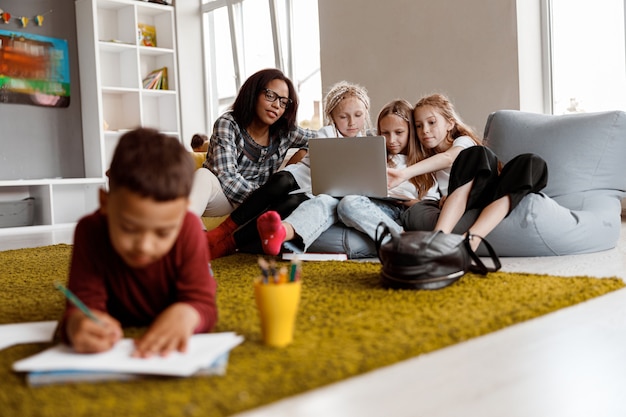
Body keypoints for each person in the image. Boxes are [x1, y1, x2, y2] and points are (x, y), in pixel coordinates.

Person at [59, 128, 218, 357]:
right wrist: (78, 324)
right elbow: (82, 304)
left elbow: (203, 303)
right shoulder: (90, 230)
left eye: (163, 233)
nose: (144, 245)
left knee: (205, 279)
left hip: (178, 296)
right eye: (129, 228)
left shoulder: (189, 228)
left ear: (183, 213)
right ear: (105, 203)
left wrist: (188, 313)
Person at [205, 81, 373, 259]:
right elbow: (319, 156)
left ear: (365, 114)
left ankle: (231, 243)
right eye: (343, 117)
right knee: (280, 181)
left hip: (317, 190)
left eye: (358, 115)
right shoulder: (327, 133)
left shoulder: (368, 142)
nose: (351, 123)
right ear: (332, 116)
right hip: (305, 175)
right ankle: (224, 229)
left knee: (291, 203)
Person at [398, 94, 548, 251]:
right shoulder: (425, 161)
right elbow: (429, 197)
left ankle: (465, 240)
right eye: (419, 126)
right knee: (478, 155)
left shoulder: (462, 143)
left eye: (431, 122)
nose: (425, 130)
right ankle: (441, 240)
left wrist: (405, 173)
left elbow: (448, 158)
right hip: (466, 203)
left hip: (489, 190)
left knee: (531, 161)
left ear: (450, 124)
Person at [188, 68, 317, 218]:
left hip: (258, 203)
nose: (276, 105)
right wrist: (266, 197)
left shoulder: (285, 132)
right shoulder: (228, 124)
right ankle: (188, 235)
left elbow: (324, 139)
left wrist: (298, 158)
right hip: (222, 195)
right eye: (270, 95)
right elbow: (227, 177)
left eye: (283, 102)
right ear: (253, 93)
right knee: (204, 176)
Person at [336, 99, 439, 242]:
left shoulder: (423, 164)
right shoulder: (374, 158)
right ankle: (401, 240)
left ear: (411, 132)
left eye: (399, 132)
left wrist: (403, 200)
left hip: (403, 211)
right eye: (385, 133)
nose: (391, 140)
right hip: (373, 207)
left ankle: (401, 240)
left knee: (348, 205)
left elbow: (430, 206)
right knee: (346, 204)